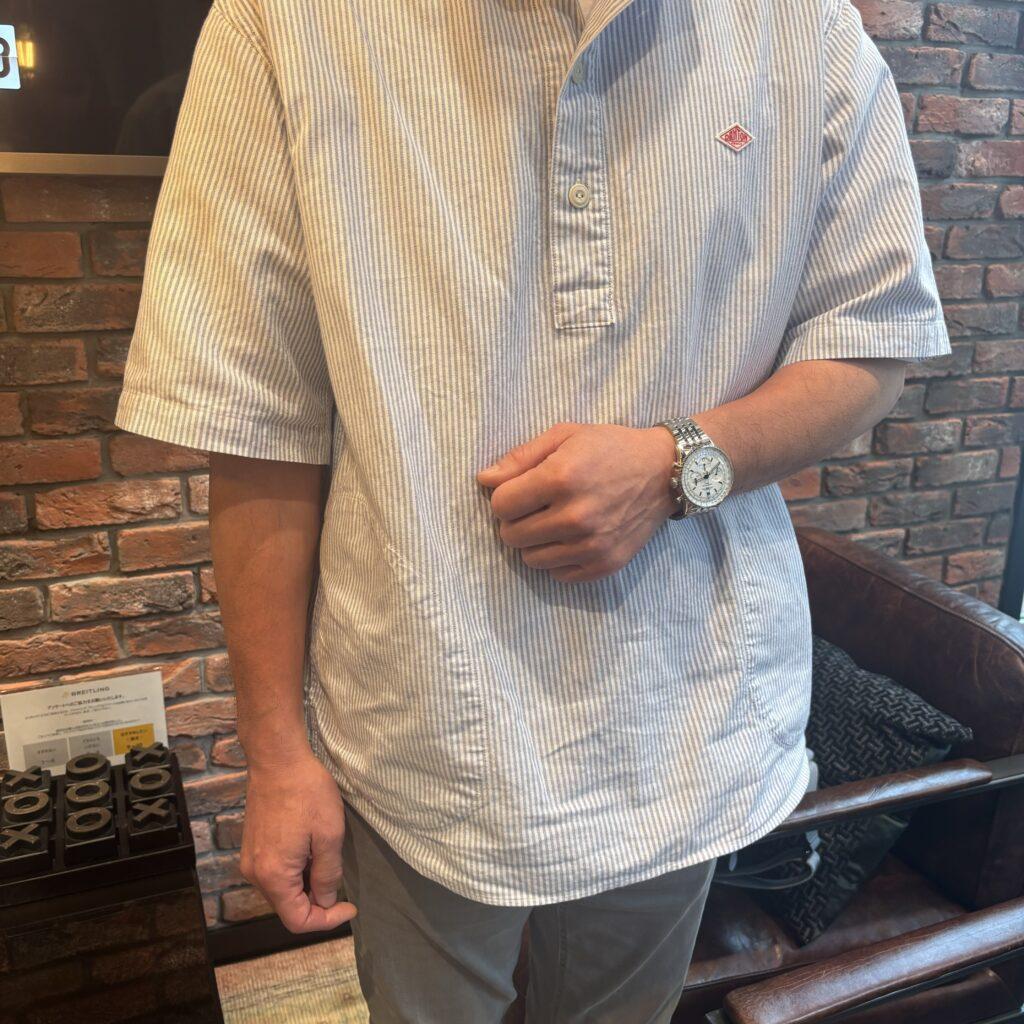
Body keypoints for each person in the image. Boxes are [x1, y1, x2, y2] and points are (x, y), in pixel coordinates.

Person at [113, 0, 952, 1020]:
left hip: (676, 722)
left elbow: (872, 338)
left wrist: (676, 463)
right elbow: (256, 422)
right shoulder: (284, 22)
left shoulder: (802, 29)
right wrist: (277, 752)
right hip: (417, 732)